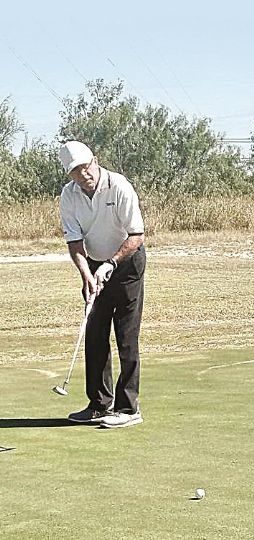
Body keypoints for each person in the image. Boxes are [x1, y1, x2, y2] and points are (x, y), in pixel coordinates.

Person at [58, 141, 146, 429]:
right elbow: (74, 241)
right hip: (93, 263)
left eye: (86, 166)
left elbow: (136, 235)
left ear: (95, 160)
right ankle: (98, 404)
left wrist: (111, 263)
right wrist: (86, 273)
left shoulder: (119, 186)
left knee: (126, 334)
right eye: (76, 171)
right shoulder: (69, 196)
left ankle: (128, 407)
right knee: (94, 333)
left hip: (127, 262)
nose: (84, 174)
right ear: (69, 174)